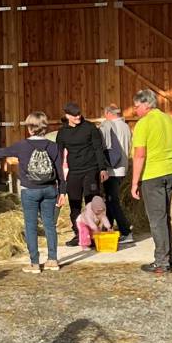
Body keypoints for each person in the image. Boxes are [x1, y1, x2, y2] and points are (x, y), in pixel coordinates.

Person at [0, 112, 67, 273]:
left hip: (30, 191)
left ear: (30, 128)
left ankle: (35, 263)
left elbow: (4, 151)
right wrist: (62, 192)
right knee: (49, 225)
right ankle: (53, 260)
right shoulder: (53, 146)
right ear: (44, 127)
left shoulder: (22, 146)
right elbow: (59, 171)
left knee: (31, 226)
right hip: (49, 189)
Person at [130, 89, 172, 275]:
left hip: (153, 174)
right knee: (165, 217)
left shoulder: (143, 124)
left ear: (146, 104)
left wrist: (134, 182)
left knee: (156, 220)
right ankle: (168, 257)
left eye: (137, 107)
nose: (135, 111)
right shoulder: (168, 119)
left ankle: (161, 262)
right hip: (170, 171)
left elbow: (140, 154)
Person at [56, 102, 108, 247]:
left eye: (79, 113)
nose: (78, 116)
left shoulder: (90, 128)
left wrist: (102, 169)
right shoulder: (62, 133)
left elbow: (98, 149)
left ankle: (93, 234)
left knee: (92, 203)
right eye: (74, 115)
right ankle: (79, 234)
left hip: (91, 170)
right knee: (74, 204)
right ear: (67, 116)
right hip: (74, 172)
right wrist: (58, 175)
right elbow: (59, 155)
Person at [99, 104, 134, 245]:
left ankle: (126, 231)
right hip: (123, 168)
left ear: (108, 113)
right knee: (110, 200)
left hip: (112, 169)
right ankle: (108, 229)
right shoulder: (126, 127)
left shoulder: (108, 126)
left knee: (113, 202)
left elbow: (105, 147)